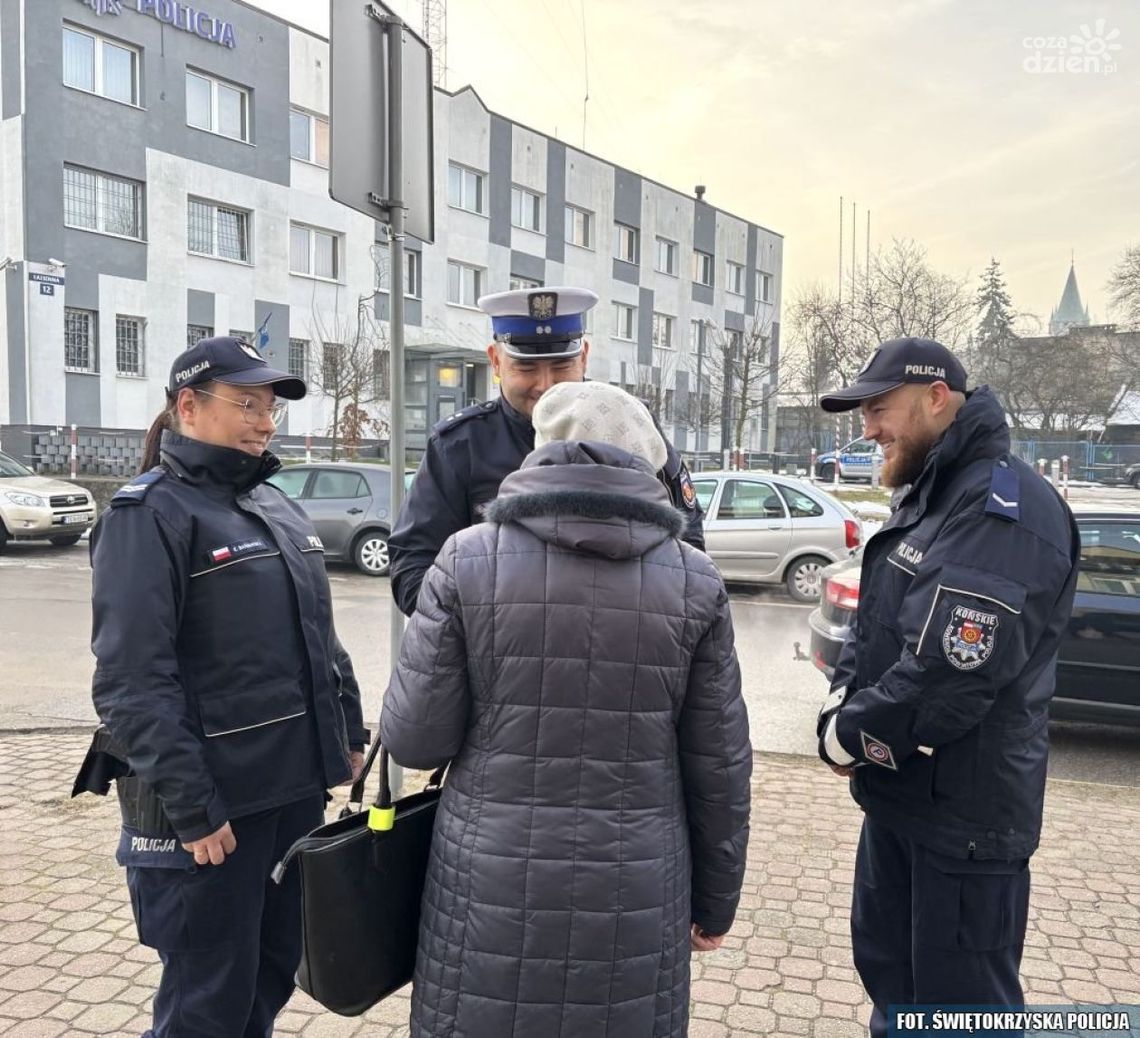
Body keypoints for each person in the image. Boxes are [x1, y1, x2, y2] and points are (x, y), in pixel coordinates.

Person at [380, 380, 752, 1038]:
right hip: (637, 890)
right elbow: (720, 766)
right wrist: (716, 902)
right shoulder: (696, 581)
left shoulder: (464, 560)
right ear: (647, 460)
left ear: (542, 452)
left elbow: (415, 741)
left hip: (484, 888)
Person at [84, 336, 369, 1037]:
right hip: (215, 811)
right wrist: (193, 807)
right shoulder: (147, 516)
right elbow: (130, 681)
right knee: (206, 999)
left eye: (269, 407)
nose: (265, 421)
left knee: (272, 969)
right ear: (188, 405)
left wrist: (348, 734)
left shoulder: (274, 505)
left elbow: (320, 640)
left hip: (292, 792)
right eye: (247, 403)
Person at [814, 338, 1080, 1034]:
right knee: (895, 992)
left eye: (879, 410)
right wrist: (845, 701)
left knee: (960, 1015)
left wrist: (849, 735)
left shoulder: (1004, 509)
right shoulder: (932, 494)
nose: (867, 429)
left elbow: (949, 674)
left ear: (937, 399)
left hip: (965, 826)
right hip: (903, 801)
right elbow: (879, 627)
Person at [387, 286, 705, 616]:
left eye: (561, 365)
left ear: (583, 357)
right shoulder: (460, 446)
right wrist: (486, 628)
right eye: (526, 368)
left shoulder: (630, 426)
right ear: (496, 361)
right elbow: (412, 567)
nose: (546, 384)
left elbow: (689, 546)